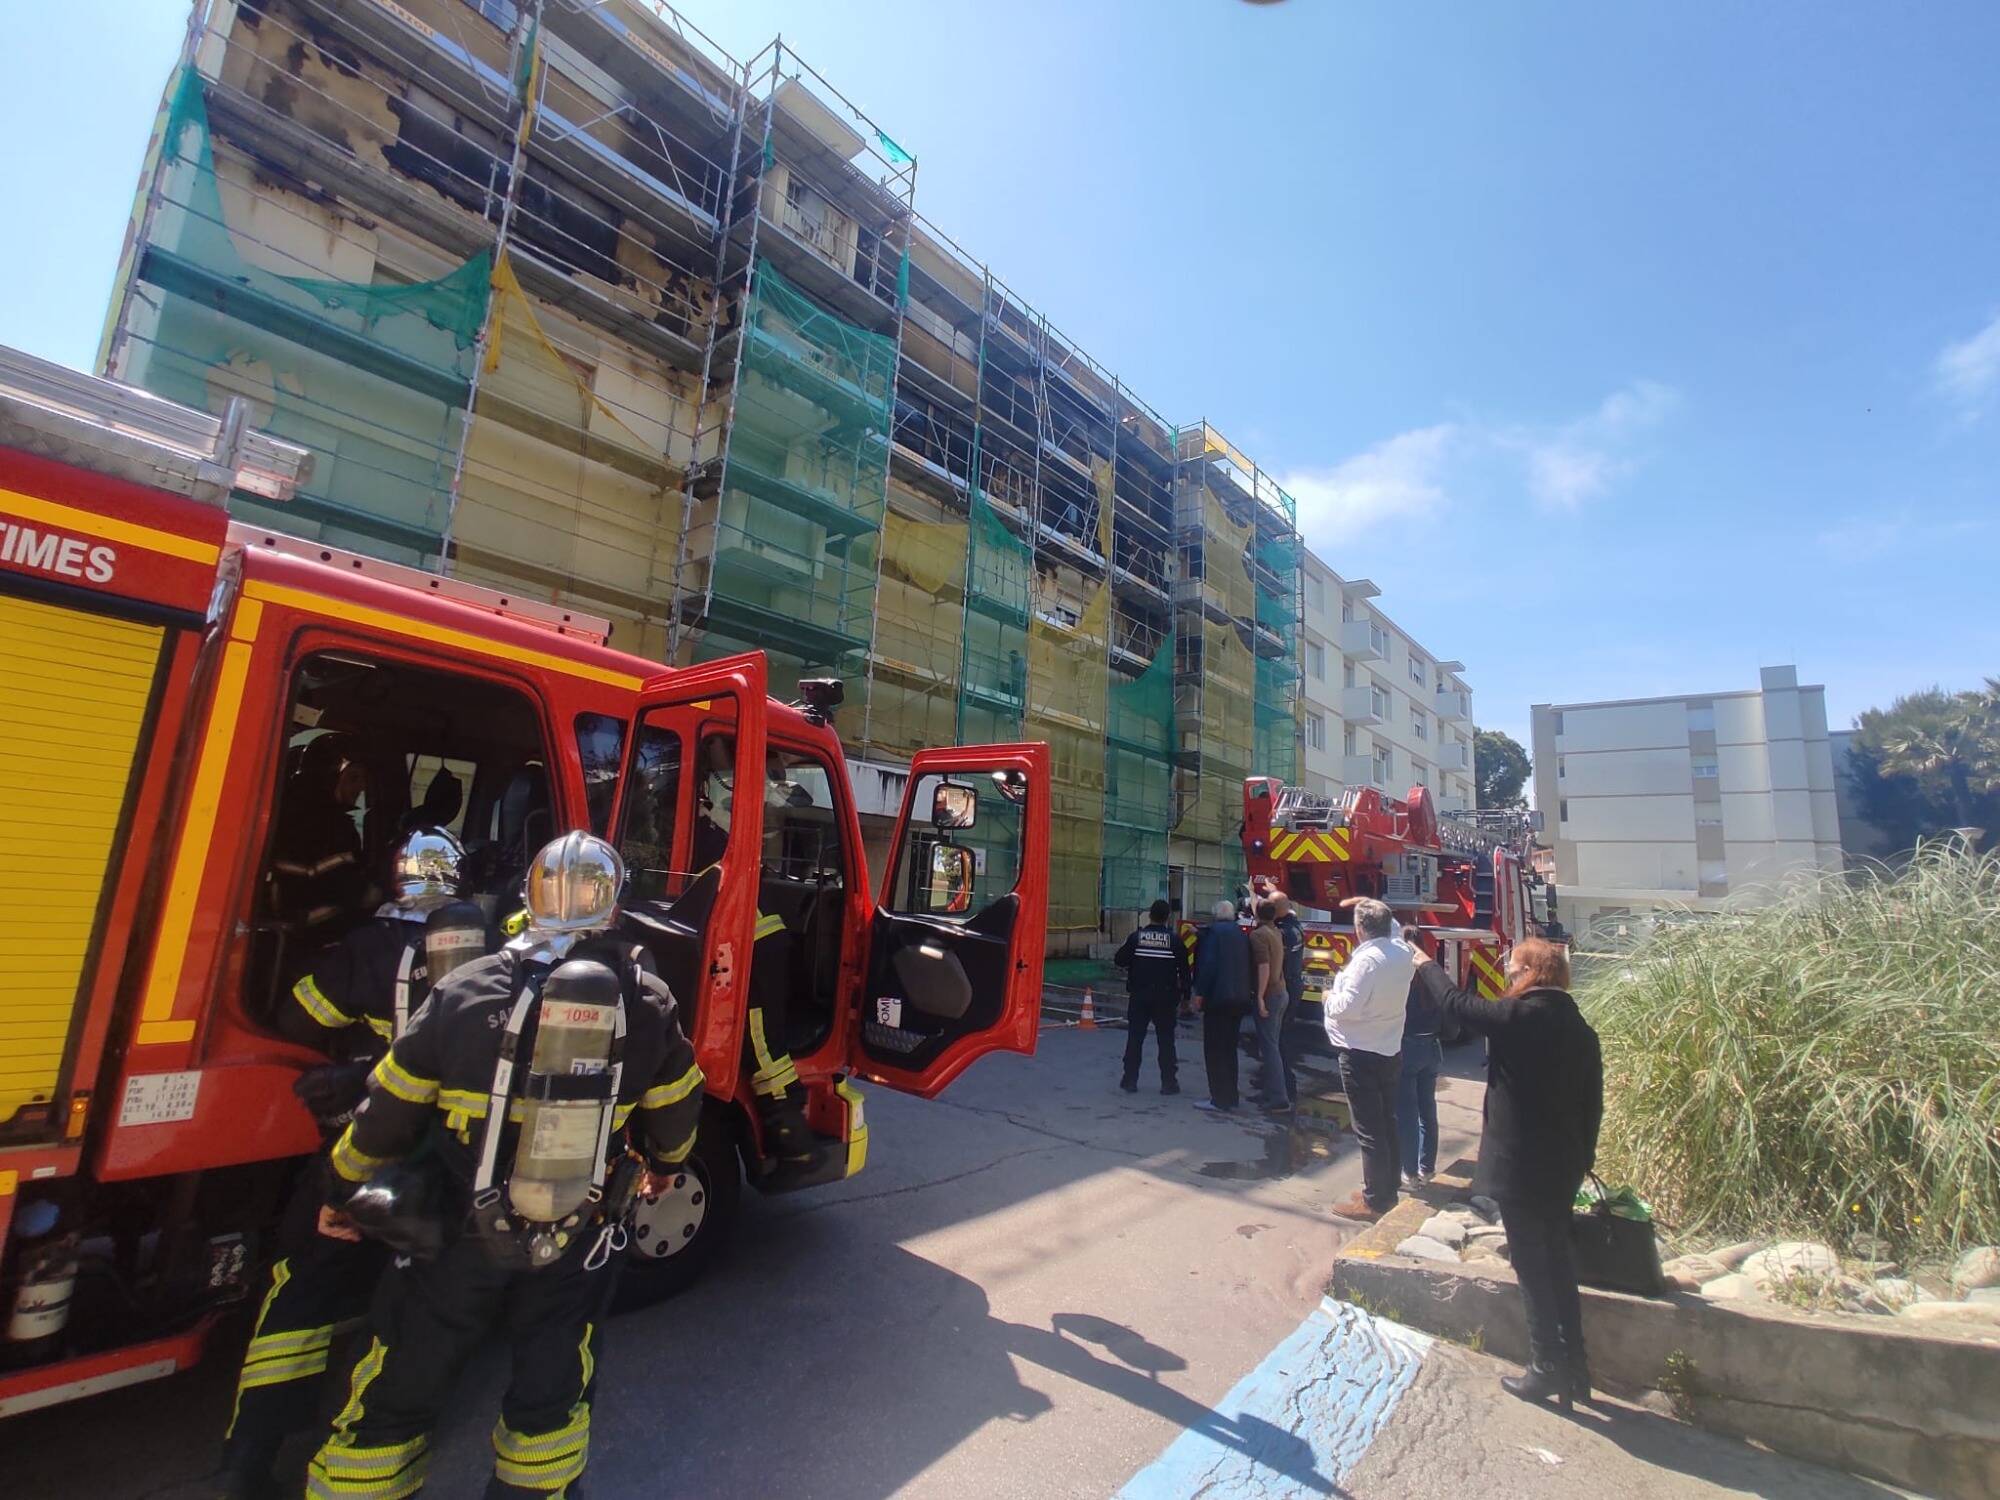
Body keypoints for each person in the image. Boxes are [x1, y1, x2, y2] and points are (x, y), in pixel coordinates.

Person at [307, 832, 704, 1498]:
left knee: (399, 1385)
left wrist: (340, 1187)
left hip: (454, 1235)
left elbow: (387, 1107)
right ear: (613, 909)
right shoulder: (647, 1001)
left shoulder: (467, 985)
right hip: (575, 1237)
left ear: (530, 900)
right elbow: (675, 1109)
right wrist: (665, 1167)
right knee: (551, 1397)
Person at [217, 829, 477, 1499]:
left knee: (301, 1292)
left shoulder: (365, 948)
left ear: (396, 879)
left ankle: (248, 1458)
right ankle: (361, 1453)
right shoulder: (484, 958)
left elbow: (296, 1018)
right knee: (411, 1300)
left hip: (354, 1150)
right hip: (431, 1161)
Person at [1411, 937, 1603, 1408]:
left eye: (1514, 971)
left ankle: (1545, 1366)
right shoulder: (1581, 1029)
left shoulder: (1522, 1017)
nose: (1509, 978)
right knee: (1557, 1260)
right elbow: (1591, 1104)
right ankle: (1575, 1367)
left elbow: (1457, 1004)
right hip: (1564, 1164)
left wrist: (1423, 962)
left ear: (1533, 974)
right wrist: (1584, 1158)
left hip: (1523, 1166)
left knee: (1531, 1264)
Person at [1322, 898, 1413, 1222]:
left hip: (1360, 1052)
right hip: (1388, 1048)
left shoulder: (1367, 962)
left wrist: (1328, 998)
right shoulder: (1401, 952)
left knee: (1369, 1130)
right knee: (1387, 1122)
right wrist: (1371, 904)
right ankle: (1387, 1190)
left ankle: (1374, 1201)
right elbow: (1394, 928)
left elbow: (1348, 1006)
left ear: (1359, 929)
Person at [272, 734, 367, 940]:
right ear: (329, 776)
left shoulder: (290, 812)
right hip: (306, 936)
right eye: (353, 778)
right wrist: (362, 895)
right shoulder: (303, 822)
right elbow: (314, 879)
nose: (361, 787)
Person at [1115, 899, 1188, 1094]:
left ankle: (1130, 1080)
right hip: (1165, 998)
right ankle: (1169, 1083)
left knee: (1135, 1039)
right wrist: (1185, 998)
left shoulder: (1137, 938)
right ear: (1167, 918)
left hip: (1139, 996)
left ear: (1150, 915)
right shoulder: (1174, 941)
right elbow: (1185, 971)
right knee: (1166, 1041)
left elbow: (1119, 959)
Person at [1190, 898, 1255, 1112]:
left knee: (1214, 1050)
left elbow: (1208, 965)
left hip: (1218, 999)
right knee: (1229, 1049)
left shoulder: (1215, 934)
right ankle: (1231, 1095)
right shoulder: (1240, 933)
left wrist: (1200, 993)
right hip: (1239, 1000)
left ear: (1215, 914)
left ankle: (1219, 1098)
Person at [1396, 962, 1444, 1190]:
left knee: (1407, 1114)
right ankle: (1427, 1168)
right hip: (1433, 1046)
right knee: (1427, 1110)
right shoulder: (1433, 977)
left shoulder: (1403, 979)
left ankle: (1410, 1173)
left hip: (1408, 1047)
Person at [1247, 900, 1290, 1114]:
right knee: (1270, 1044)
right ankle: (1270, 1091)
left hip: (1270, 994)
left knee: (1270, 1047)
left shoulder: (1258, 935)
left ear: (1257, 913)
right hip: (1281, 992)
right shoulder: (1276, 932)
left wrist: (1260, 997)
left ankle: (1279, 1097)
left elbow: (1263, 967)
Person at [1273, 894, 1306, 1106]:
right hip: (1294, 985)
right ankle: (1281, 1085)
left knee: (1276, 1041)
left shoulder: (1282, 933)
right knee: (1280, 1039)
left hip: (1284, 987)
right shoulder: (1294, 926)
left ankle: (1284, 1088)